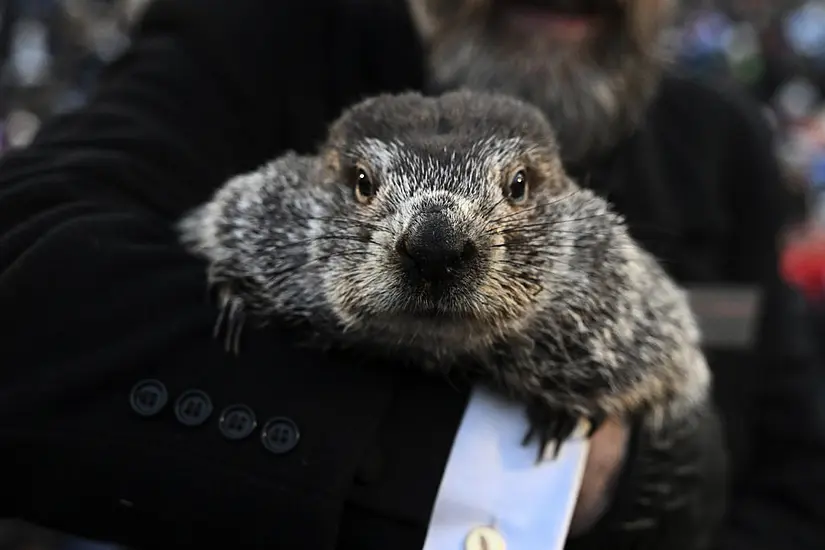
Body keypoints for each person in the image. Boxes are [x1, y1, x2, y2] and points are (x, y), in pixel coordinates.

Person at [0, 0, 823, 548]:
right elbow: (25, 274)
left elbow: (790, 466)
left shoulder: (720, 144)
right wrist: (515, 478)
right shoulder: (256, 42)